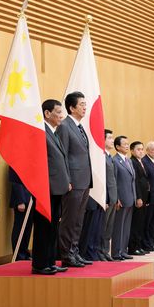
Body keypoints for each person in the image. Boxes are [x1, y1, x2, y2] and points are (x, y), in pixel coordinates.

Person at [31, 99, 70, 275]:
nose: (62, 116)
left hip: (56, 189)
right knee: (43, 227)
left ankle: (50, 261)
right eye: (58, 112)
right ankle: (40, 264)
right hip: (45, 189)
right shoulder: (41, 132)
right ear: (47, 113)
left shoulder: (53, 132)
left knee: (53, 227)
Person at [57, 91, 93, 268]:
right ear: (71, 108)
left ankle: (74, 251)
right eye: (81, 104)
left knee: (78, 219)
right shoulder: (65, 126)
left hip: (84, 180)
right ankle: (66, 254)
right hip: (73, 181)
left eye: (85, 104)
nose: (85, 107)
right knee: (69, 219)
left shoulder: (79, 126)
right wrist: (67, 180)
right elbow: (62, 155)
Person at [111, 136, 136, 260]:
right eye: (124, 144)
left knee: (126, 226)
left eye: (128, 143)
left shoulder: (128, 160)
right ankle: (116, 252)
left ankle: (123, 250)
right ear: (117, 147)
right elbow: (114, 181)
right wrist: (116, 198)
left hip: (130, 197)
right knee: (118, 226)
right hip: (121, 198)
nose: (127, 146)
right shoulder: (115, 161)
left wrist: (135, 196)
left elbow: (132, 181)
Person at [99, 129, 118, 261]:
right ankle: (100, 252)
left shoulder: (109, 156)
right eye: (110, 138)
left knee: (109, 228)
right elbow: (102, 179)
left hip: (113, 197)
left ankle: (106, 252)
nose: (112, 140)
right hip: (105, 198)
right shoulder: (101, 156)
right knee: (102, 227)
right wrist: (104, 198)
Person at [129, 141, 149, 256]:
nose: (141, 151)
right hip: (139, 197)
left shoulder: (141, 162)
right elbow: (135, 182)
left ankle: (139, 245)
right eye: (138, 149)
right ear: (132, 151)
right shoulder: (133, 162)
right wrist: (139, 197)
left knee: (141, 222)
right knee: (136, 223)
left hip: (145, 196)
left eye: (142, 149)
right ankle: (133, 247)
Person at [9, 167, 32, 261]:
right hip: (22, 199)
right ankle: (19, 255)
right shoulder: (15, 160)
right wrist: (20, 201)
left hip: (30, 199)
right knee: (19, 228)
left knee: (27, 229)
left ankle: (25, 253)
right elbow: (15, 181)